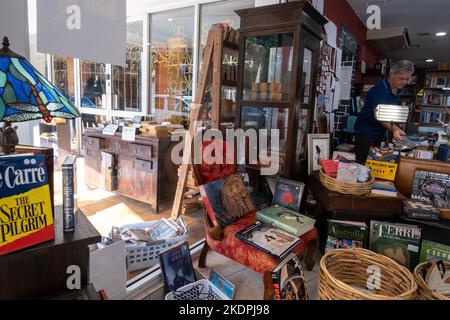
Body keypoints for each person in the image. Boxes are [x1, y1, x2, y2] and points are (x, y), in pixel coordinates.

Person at [354, 60, 414, 164]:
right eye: (401, 78)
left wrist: (398, 124)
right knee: (362, 166)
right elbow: (379, 115)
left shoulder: (397, 92)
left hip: (379, 134)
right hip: (366, 134)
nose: (404, 82)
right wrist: (395, 128)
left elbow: (390, 113)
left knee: (375, 165)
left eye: (407, 79)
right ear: (392, 74)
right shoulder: (379, 90)